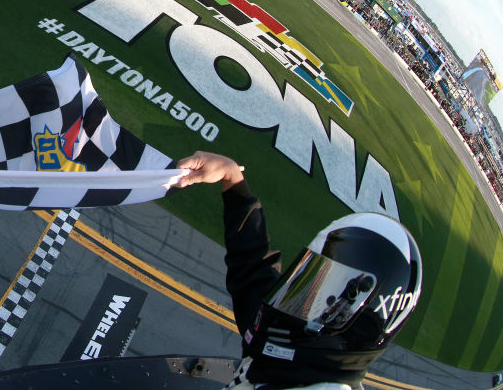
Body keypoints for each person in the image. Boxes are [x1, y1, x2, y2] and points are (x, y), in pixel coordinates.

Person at [177, 151, 422, 390]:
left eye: (331, 294)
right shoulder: (293, 356)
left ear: (360, 321)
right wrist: (233, 181)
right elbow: (255, 273)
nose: (310, 300)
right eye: (313, 275)